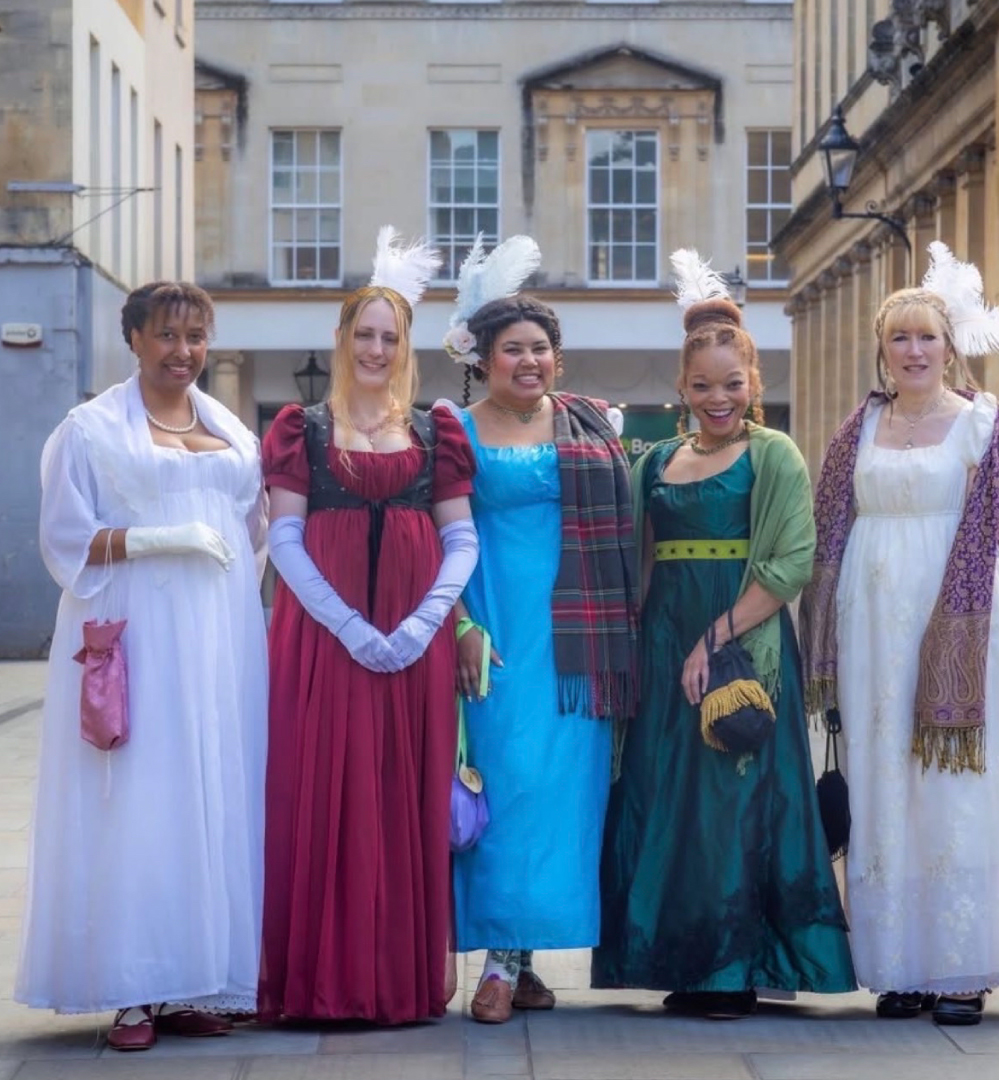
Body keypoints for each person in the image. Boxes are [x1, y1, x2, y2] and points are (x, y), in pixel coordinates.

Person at [800, 241, 999, 1026]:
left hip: (957, 622)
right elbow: (830, 525)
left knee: (951, 787)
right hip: (871, 619)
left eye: (927, 337)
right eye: (899, 338)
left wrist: (955, 636)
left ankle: (959, 966)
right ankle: (899, 965)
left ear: (950, 347)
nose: (913, 351)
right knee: (883, 785)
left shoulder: (981, 424)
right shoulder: (860, 426)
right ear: (882, 350)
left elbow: (983, 530)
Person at [592, 252, 855, 1018]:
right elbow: (626, 554)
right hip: (662, 643)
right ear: (681, 388)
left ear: (753, 384)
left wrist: (712, 644)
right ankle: (678, 958)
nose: (717, 399)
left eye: (731, 385)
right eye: (702, 386)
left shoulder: (775, 456)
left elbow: (791, 562)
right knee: (664, 800)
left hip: (739, 644)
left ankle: (733, 970)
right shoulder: (655, 462)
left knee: (733, 802)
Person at [16, 282, 268, 1051]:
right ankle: (133, 989)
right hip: (141, 630)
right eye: (167, 335)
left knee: (214, 793)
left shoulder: (231, 430)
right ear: (133, 338)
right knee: (141, 800)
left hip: (221, 636)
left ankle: (195, 978)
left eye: (196, 336)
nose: (183, 351)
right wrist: (159, 540)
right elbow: (64, 538)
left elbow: (252, 525)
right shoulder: (88, 430)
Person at [258, 229, 477, 1024]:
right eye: (365, 334)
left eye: (390, 336)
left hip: (411, 640)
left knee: (402, 792)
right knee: (322, 789)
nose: (377, 348)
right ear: (342, 339)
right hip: (325, 639)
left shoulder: (433, 430)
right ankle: (324, 983)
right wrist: (349, 626)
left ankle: (397, 983)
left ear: (405, 345)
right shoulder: (301, 429)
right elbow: (283, 538)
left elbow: (461, 536)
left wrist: (425, 623)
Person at [440, 235, 639, 1024]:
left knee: (565, 798)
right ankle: (497, 957)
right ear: (483, 358)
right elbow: (437, 534)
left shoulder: (595, 423)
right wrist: (458, 623)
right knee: (505, 789)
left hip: (579, 642)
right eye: (512, 349)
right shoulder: (452, 429)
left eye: (541, 349)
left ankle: (520, 962)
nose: (529, 361)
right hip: (496, 633)